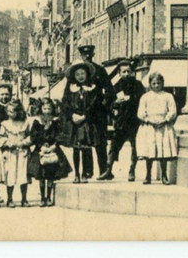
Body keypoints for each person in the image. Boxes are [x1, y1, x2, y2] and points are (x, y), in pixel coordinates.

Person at [103, 60, 145, 181]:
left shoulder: (138, 85)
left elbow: (142, 101)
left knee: (135, 147)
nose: (126, 74)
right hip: (121, 121)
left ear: (133, 73)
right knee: (114, 146)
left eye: (129, 71)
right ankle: (108, 169)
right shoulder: (116, 87)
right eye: (124, 71)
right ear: (119, 73)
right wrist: (115, 104)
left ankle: (132, 170)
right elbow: (109, 104)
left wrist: (131, 98)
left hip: (135, 121)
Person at [135, 72, 179, 185]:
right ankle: (148, 175)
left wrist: (165, 119)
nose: (156, 85)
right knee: (149, 151)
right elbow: (140, 112)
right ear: (149, 84)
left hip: (163, 125)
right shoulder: (145, 97)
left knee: (162, 152)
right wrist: (148, 120)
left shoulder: (168, 96)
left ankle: (164, 175)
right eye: (153, 83)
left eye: (158, 83)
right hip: (149, 126)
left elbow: (173, 110)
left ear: (162, 83)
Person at [77, 44, 113, 179]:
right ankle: (87, 171)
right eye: (84, 55)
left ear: (93, 55)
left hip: (98, 113)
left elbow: (109, 90)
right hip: (83, 112)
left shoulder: (100, 70)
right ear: (81, 56)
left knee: (100, 142)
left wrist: (104, 104)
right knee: (85, 142)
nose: (87, 57)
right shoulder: (79, 71)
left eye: (89, 54)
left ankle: (104, 170)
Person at [28, 97, 72, 207]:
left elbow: (60, 134)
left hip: (53, 149)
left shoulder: (56, 121)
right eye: (44, 108)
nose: (47, 111)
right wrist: (41, 146)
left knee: (51, 175)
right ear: (41, 109)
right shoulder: (37, 121)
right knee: (41, 175)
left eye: (49, 108)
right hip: (41, 150)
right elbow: (34, 136)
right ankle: (42, 197)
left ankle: (49, 197)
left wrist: (54, 145)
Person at [60, 61, 98, 183]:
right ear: (74, 76)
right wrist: (72, 115)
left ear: (87, 74)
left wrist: (85, 116)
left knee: (86, 149)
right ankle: (77, 174)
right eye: (78, 74)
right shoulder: (70, 89)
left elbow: (95, 104)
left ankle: (86, 173)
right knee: (76, 149)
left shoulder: (91, 88)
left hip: (87, 122)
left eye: (83, 73)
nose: (80, 76)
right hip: (75, 123)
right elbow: (65, 104)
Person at [0, 99, 32, 207]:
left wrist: (24, 142)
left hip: (22, 151)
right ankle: (10, 199)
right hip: (11, 152)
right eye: (8, 111)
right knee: (11, 175)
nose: (9, 113)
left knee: (23, 175)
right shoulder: (5, 124)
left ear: (18, 111)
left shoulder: (25, 123)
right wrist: (8, 143)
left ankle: (24, 199)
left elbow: (30, 136)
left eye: (12, 111)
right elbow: (1, 138)